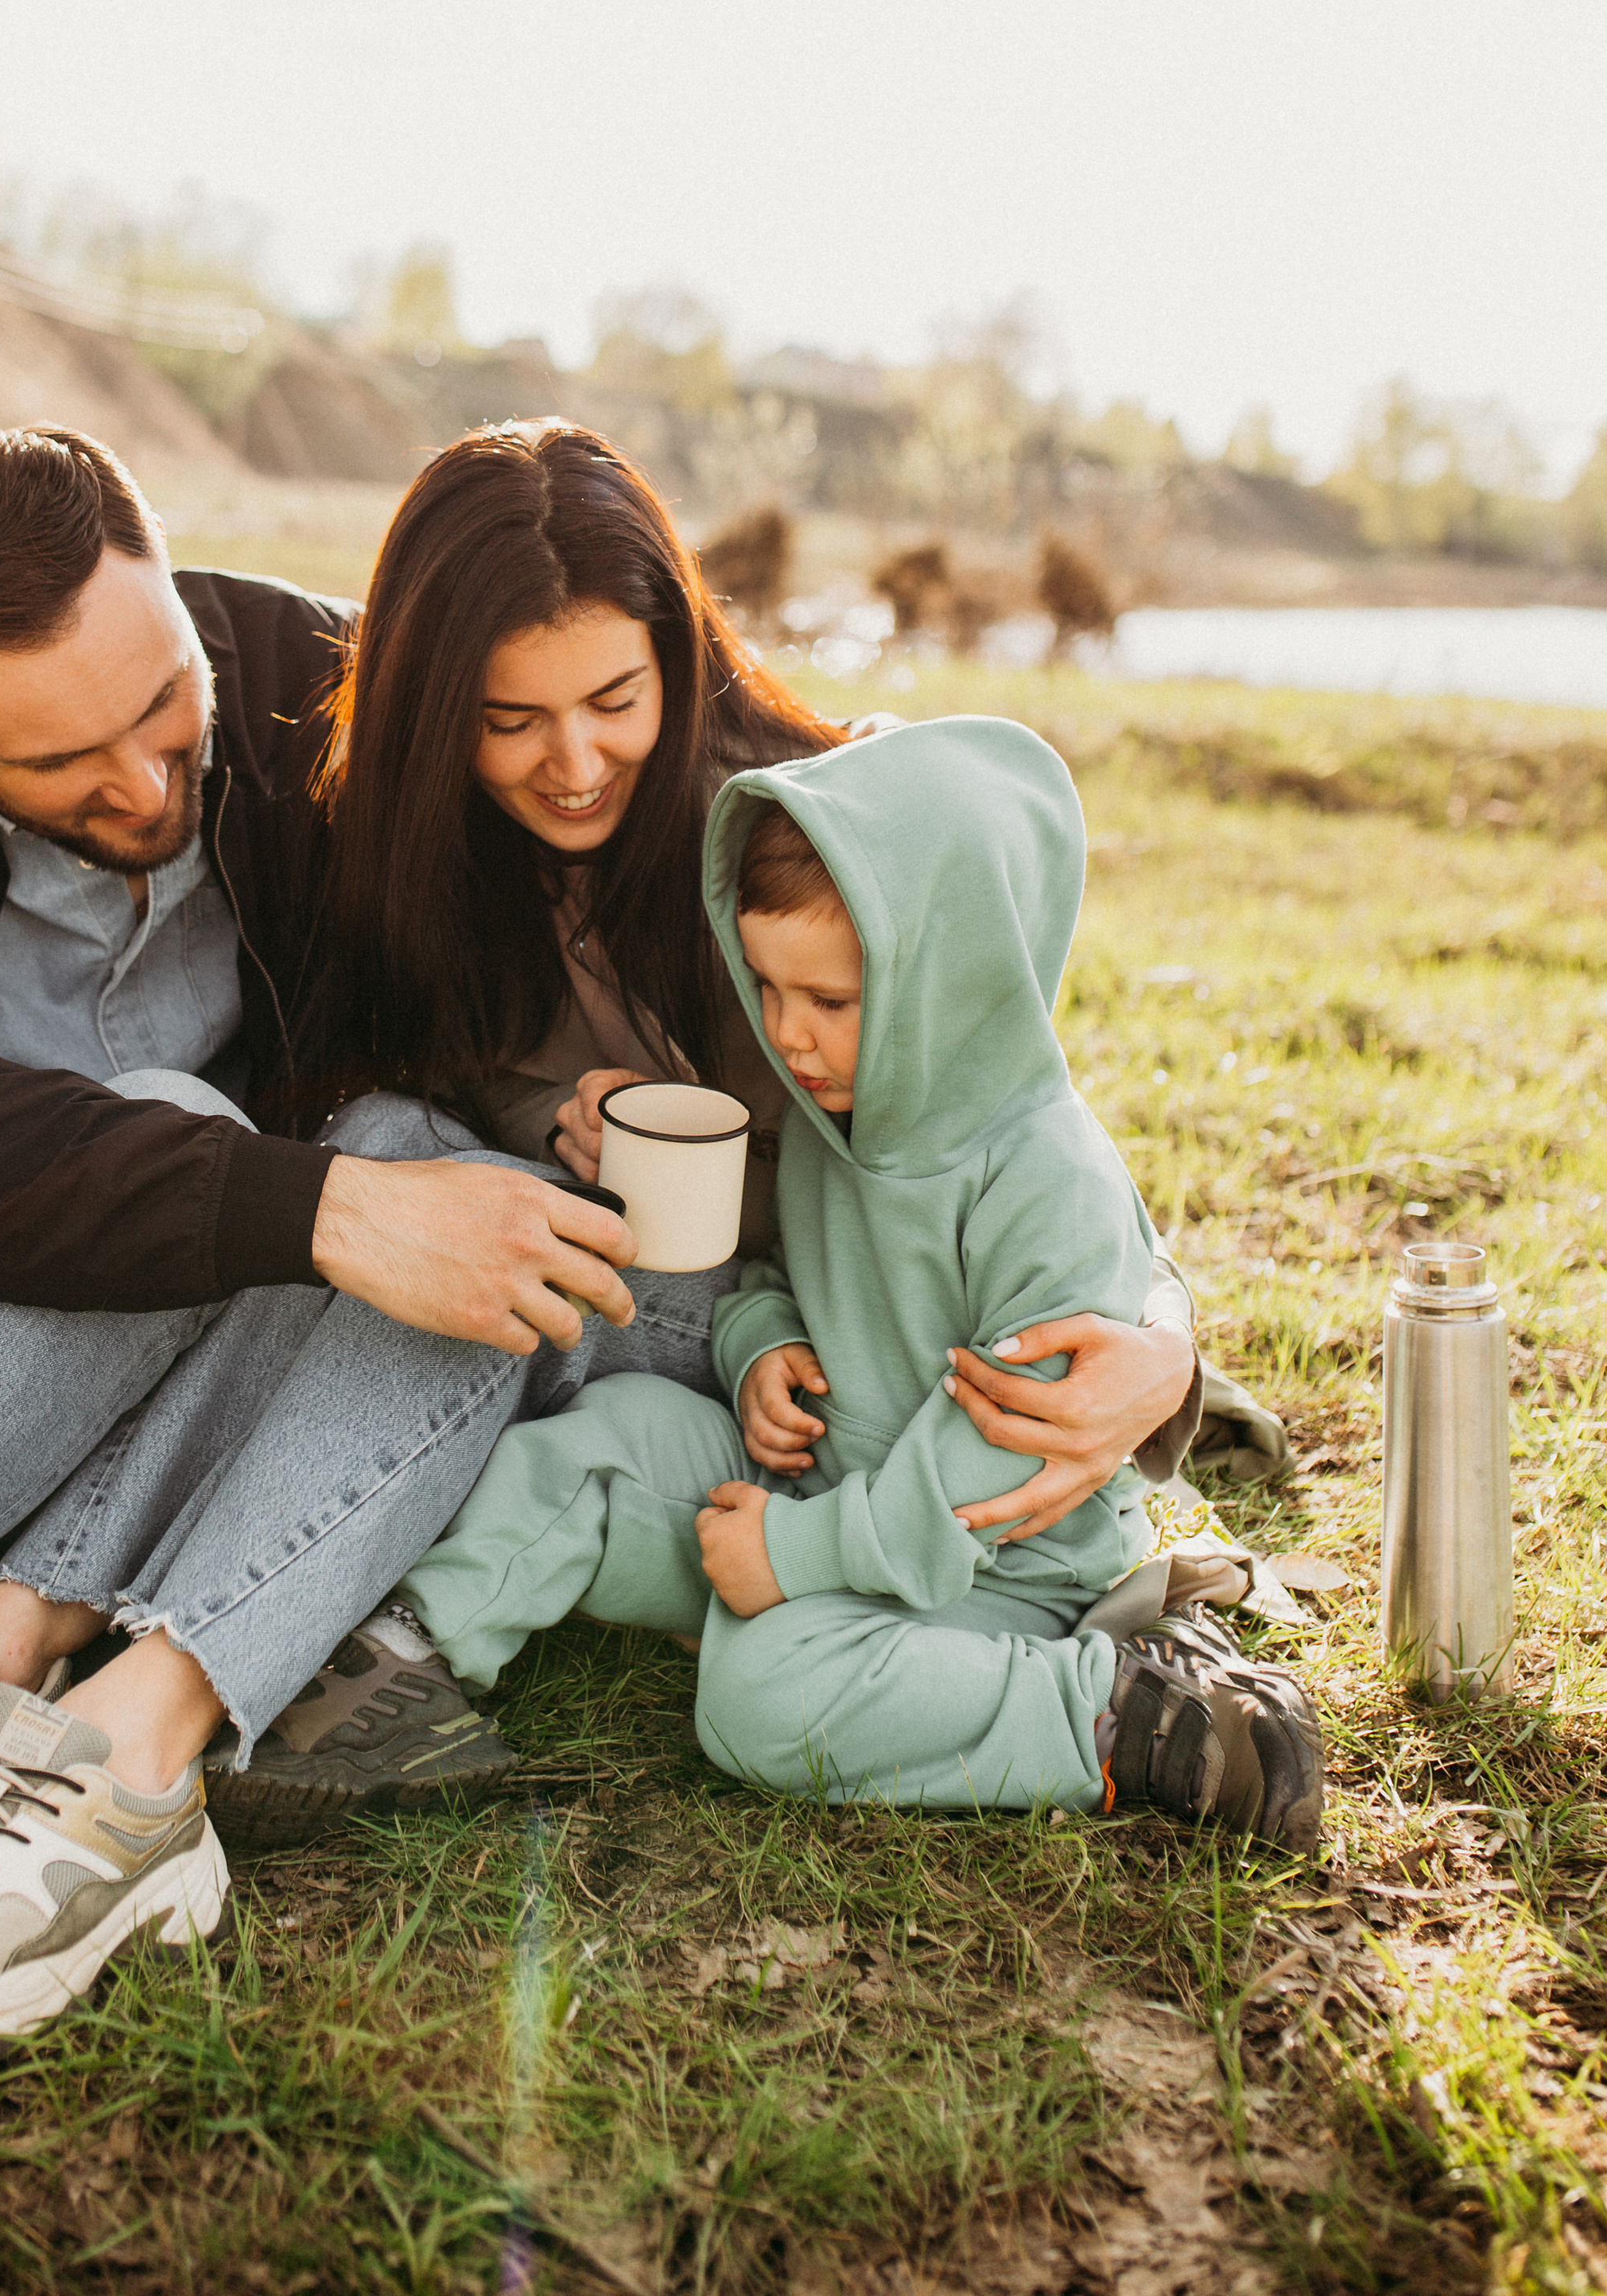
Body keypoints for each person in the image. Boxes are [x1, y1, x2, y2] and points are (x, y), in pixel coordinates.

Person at [0, 422, 1206, 2053]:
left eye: (163, 711)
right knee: (298, 1146)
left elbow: (1005, 1118)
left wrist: (1163, 1340)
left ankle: (83, 1710)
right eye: (507, 722)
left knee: (383, 1168)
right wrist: (426, 1166)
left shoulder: (730, 828)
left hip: (492, 1346)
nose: (144, 783)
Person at [397, 723, 1327, 1847]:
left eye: (829, 1000)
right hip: (824, 1484)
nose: (788, 1036)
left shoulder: (1044, 1175)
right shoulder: (838, 1115)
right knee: (601, 1440)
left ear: (953, 976)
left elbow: (1003, 1453)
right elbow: (777, 1273)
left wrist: (796, 1560)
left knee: (759, 1697)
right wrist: (758, 1348)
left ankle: (1117, 1712)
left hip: (1000, 1564)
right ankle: (403, 1667)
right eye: (768, 987)